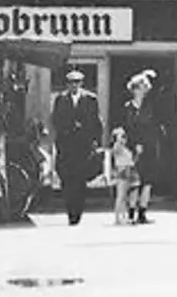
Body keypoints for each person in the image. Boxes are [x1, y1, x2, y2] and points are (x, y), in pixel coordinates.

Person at [50, 69, 102, 225]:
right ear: (67, 84)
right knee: (66, 179)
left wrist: (96, 141)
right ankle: (69, 211)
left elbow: (96, 121)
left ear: (81, 83)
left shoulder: (91, 99)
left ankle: (77, 212)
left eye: (77, 82)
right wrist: (67, 128)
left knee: (80, 180)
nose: (74, 85)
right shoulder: (61, 99)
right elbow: (56, 119)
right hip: (66, 145)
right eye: (71, 82)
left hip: (83, 146)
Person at [121, 70, 161, 224]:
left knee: (147, 180)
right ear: (134, 88)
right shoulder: (127, 107)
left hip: (149, 146)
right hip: (132, 148)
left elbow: (153, 126)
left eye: (145, 86)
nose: (144, 89)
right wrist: (134, 144)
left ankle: (143, 212)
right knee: (133, 181)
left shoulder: (151, 106)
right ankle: (131, 212)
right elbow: (126, 127)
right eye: (141, 86)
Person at [106, 127, 138, 225]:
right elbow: (115, 151)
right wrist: (118, 139)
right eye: (121, 135)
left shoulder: (126, 148)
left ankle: (126, 216)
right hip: (122, 170)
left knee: (130, 195)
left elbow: (132, 160)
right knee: (121, 195)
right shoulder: (117, 146)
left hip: (130, 169)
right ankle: (117, 217)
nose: (123, 137)